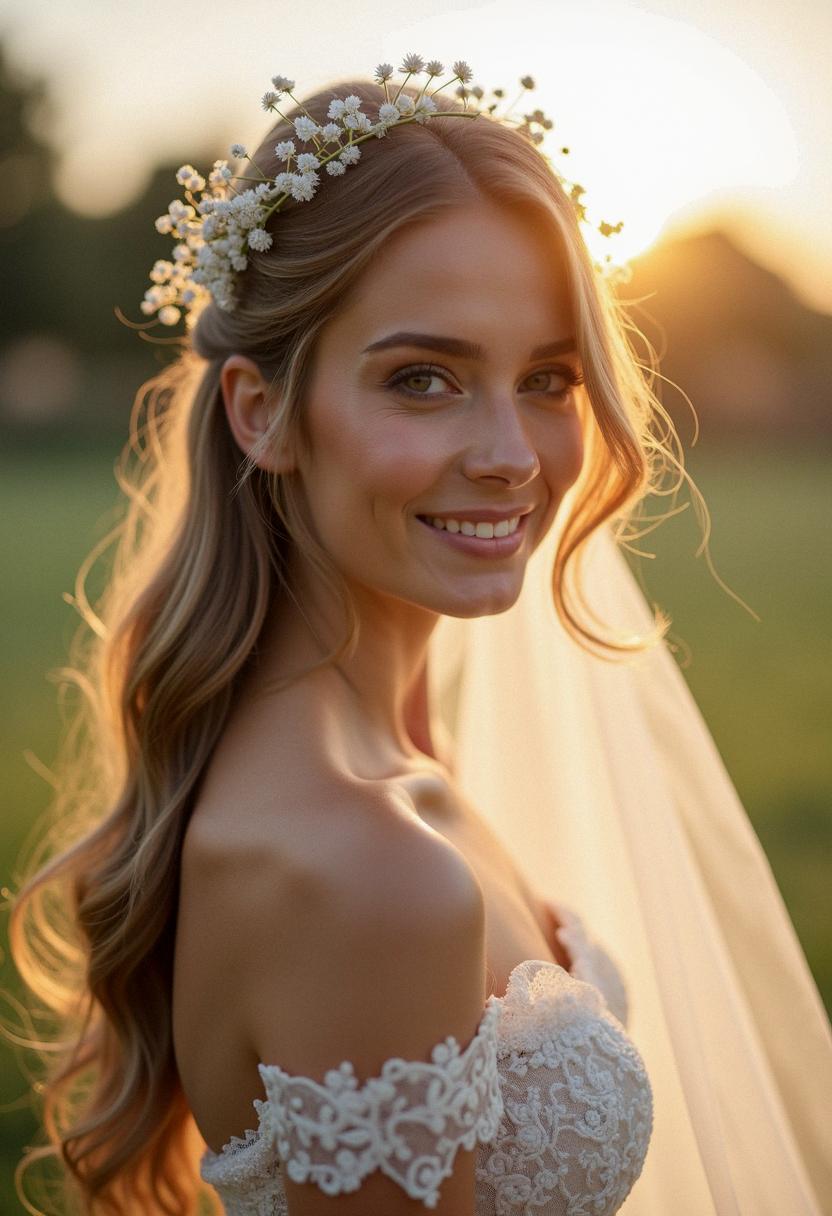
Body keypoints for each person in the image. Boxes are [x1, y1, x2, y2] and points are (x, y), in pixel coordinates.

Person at [5, 57, 831, 1216]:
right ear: (262, 412)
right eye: (425, 378)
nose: (509, 452)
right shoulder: (364, 873)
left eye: (545, 377)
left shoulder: (389, 760)